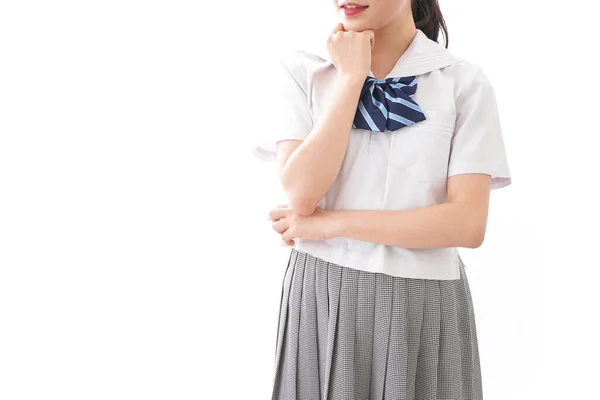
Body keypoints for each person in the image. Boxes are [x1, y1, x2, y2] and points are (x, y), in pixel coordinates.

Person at [252, 0, 512, 399]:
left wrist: (331, 224)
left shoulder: (462, 83)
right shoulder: (304, 70)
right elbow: (302, 195)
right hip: (322, 293)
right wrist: (352, 78)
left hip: (426, 303)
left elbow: (467, 224)